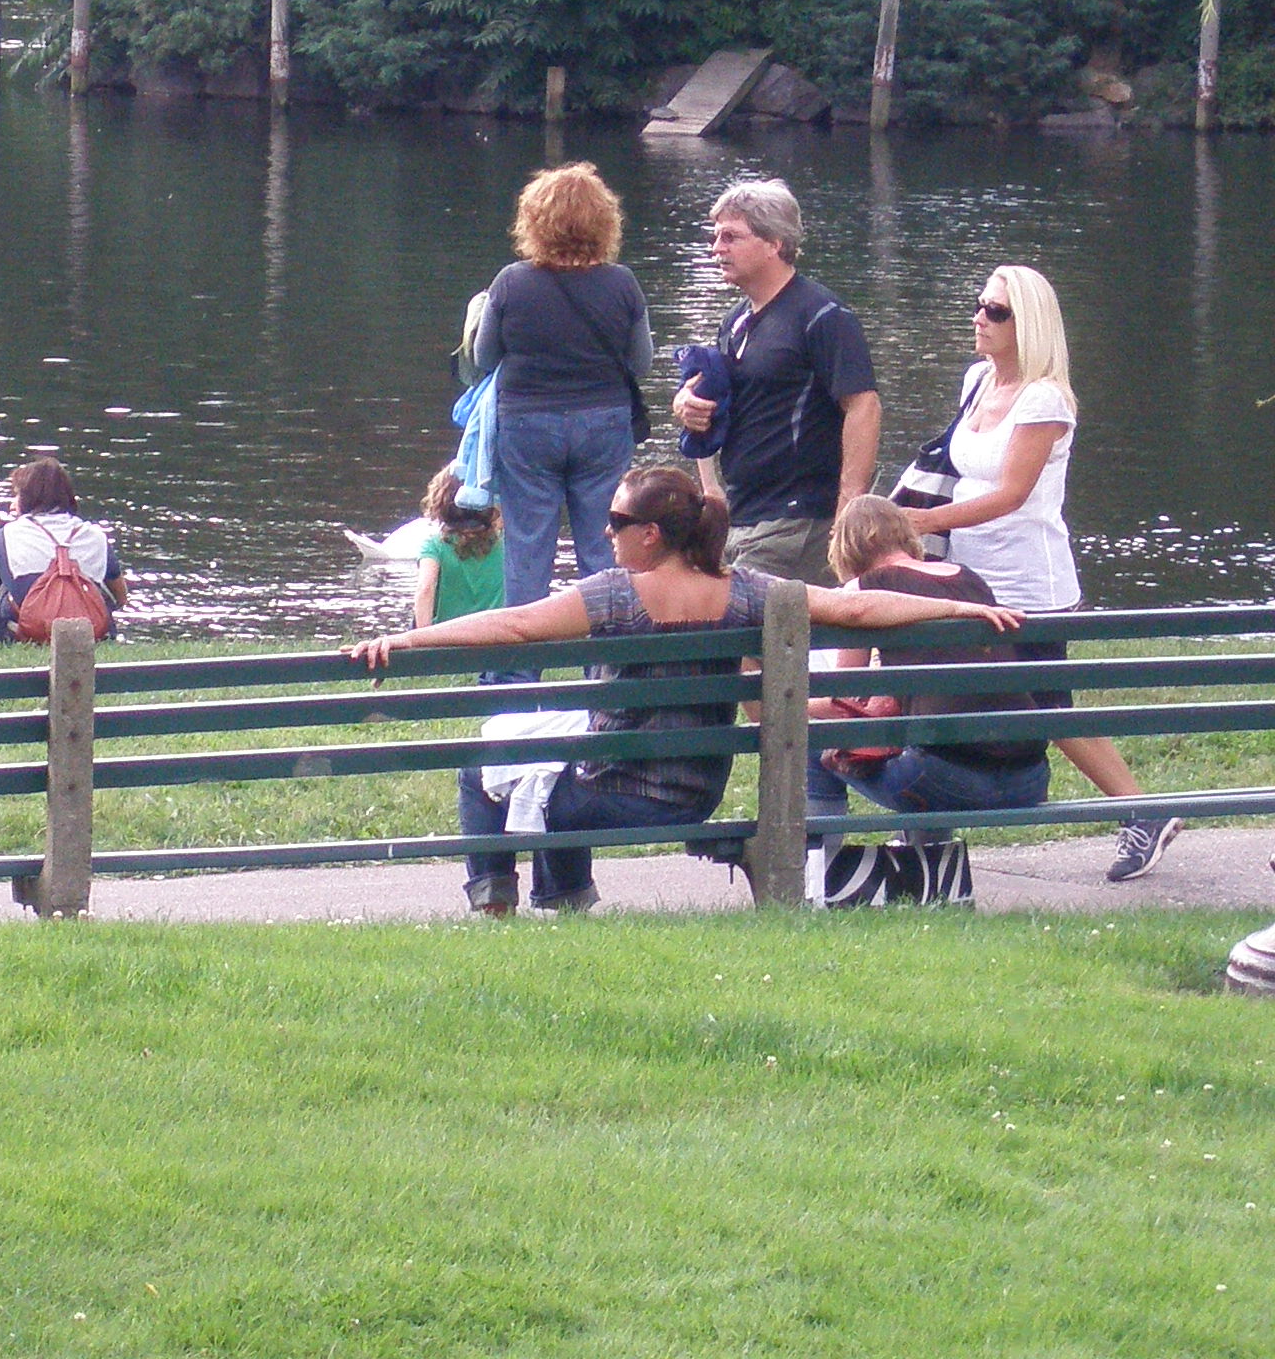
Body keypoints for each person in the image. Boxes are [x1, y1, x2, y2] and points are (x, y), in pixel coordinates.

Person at [352, 463, 1016, 915]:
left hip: (614, 796)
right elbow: (861, 609)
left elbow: (515, 625)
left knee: (492, 774)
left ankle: (512, 913)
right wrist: (953, 607)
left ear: (650, 535)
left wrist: (408, 640)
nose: (605, 530)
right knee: (548, 765)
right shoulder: (748, 591)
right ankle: (561, 907)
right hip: (695, 793)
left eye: (615, 521)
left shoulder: (611, 597)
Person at [899, 262, 1172, 881]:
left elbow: (1012, 494)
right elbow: (961, 468)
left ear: (1030, 325)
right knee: (952, 683)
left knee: (1048, 704)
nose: (979, 318)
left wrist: (918, 523)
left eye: (996, 311)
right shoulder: (976, 381)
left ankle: (1144, 811)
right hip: (967, 571)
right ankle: (922, 823)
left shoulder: (1045, 399)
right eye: (979, 305)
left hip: (1029, 579)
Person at [807, 495, 1050, 907]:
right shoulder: (969, 579)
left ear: (848, 545)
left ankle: (816, 866)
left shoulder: (865, 588)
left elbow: (846, 702)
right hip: (1028, 779)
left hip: (946, 783)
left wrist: (787, 707)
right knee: (931, 740)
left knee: (817, 740)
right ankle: (926, 874)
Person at [669, 179, 878, 584]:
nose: (716, 248)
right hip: (742, 513)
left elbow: (863, 405)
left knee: (751, 640)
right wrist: (686, 405)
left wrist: (848, 508)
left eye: (731, 237)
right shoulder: (735, 320)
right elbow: (719, 400)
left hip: (796, 519)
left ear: (775, 243)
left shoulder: (823, 316)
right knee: (730, 638)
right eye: (715, 237)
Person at [472, 162, 654, 604]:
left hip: (527, 426)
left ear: (534, 221)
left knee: (528, 549)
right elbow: (642, 363)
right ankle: (608, 667)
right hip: (603, 424)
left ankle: (519, 671)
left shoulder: (511, 282)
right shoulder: (622, 282)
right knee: (605, 546)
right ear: (605, 222)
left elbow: (483, 359)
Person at [0, 456, 127, 641]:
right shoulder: (96, 536)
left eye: (17, 495)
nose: (13, 503)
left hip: (29, 628)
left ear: (28, 498)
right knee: (102, 593)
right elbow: (120, 598)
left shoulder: (7, 534)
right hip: (89, 628)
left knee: (3, 592)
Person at [408, 462, 505, 630]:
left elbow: (425, 589)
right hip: (495, 639)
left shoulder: (434, 546)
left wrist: (422, 639)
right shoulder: (505, 545)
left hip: (448, 642)